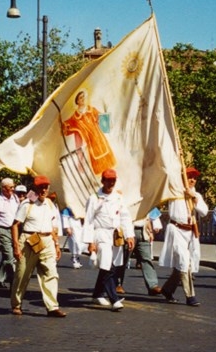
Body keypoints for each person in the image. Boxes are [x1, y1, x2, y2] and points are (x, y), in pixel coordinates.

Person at [10, 175, 67, 317]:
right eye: (40, 187)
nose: (43, 190)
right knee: (22, 274)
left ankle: (52, 307)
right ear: (35, 188)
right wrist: (16, 246)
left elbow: (53, 227)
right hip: (29, 240)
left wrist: (57, 244)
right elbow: (15, 225)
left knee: (51, 273)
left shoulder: (50, 204)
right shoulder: (27, 204)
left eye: (45, 187)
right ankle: (16, 304)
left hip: (47, 241)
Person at [83, 169, 134, 311]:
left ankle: (97, 293)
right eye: (108, 180)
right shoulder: (94, 198)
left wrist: (129, 235)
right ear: (102, 181)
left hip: (115, 235)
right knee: (108, 266)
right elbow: (88, 220)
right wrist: (90, 242)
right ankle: (114, 299)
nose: (111, 183)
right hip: (101, 234)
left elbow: (125, 217)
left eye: (113, 180)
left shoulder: (118, 198)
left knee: (110, 265)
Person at [160, 167, 207, 306]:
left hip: (190, 232)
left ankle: (167, 289)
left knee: (184, 264)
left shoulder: (196, 195)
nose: (192, 180)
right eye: (189, 177)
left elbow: (204, 211)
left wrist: (193, 198)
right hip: (176, 230)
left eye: (194, 177)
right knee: (184, 261)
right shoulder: (174, 192)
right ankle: (190, 296)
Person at [62, 89, 116, 176]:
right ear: (77, 101)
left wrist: (107, 112)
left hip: (100, 138)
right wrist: (63, 124)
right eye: (80, 98)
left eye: (84, 97)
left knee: (109, 164)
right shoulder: (76, 117)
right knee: (98, 167)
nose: (83, 99)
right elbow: (67, 126)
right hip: (90, 143)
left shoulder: (91, 109)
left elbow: (103, 121)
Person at [115, 205, 162, 297]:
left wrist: (152, 229)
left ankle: (152, 286)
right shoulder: (127, 197)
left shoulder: (145, 197)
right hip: (129, 231)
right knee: (123, 259)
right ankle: (117, 284)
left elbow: (150, 212)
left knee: (146, 259)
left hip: (143, 231)